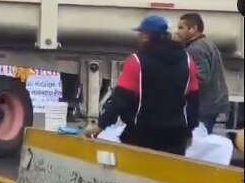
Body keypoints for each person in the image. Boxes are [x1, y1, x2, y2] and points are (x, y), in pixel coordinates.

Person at [85, 15, 200, 156]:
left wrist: (101, 125)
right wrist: (189, 131)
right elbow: (193, 99)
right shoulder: (188, 61)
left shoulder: (137, 61)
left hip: (141, 136)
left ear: (146, 36)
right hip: (176, 137)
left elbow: (121, 98)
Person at [177, 13, 229, 134]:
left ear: (193, 29)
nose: (178, 32)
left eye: (181, 28)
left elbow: (200, 79)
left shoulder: (195, 49)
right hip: (215, 103)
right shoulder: (208, 44)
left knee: (198, 142)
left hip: (204, 106)